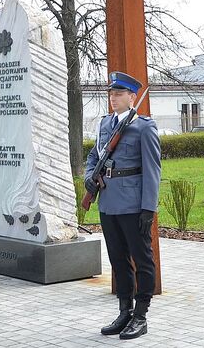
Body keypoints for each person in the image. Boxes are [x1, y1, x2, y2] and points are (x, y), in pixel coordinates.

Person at [84, 71, 160, 340]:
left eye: (118, 94)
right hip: (108, 202)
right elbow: (94, 156)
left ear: (132, 96)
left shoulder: (144, 127)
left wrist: (148, 207)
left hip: (133, 203)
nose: (113, 98)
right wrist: (88, 179)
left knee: (142, 259)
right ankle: (124, 311)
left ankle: (141, 315)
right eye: (111, 94)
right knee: (118, 259)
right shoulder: (105, 124)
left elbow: (152, 169)